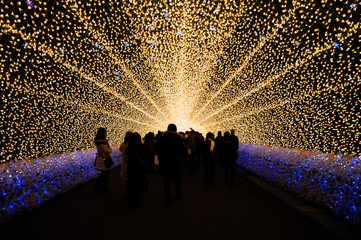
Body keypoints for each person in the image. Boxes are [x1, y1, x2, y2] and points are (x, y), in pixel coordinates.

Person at [156, 124, 186, 205]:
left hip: (165, 162)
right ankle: (178, 192)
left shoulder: (162, 137)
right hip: (175, 161)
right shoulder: (179, 138)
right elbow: (182, 150)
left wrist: (161, 159)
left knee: (167, 180)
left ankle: (168, 197)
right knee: (177, 178)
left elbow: (158, 149)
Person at [126, 132, 149, 207]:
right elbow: (146, 156)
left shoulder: (129, 147)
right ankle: (136, 197)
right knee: (140, 183)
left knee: (131, 183)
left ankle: (131, 197)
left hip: (131, 168)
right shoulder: (143, 147)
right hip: (140, 168)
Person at [94, 127, 112, 192]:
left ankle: (98, 186)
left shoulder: (98, 141)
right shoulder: (103, 142)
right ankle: (103, 188)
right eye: (105, 132)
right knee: (105, 175)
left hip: (100, 158)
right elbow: (106, 151)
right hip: (103, 160)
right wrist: (110, 149)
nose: (106, 133)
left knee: (103, 174)